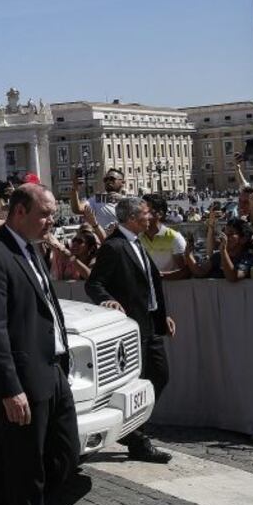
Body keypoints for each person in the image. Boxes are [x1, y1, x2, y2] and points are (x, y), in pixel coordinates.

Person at [0, 184, 78, 505]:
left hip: (53, 372)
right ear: (19, 212)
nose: (51, 222)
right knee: (25, 468)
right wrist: (9, 388)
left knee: (66, 454)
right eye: (45, 214)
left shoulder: (32, 249)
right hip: (23, 381)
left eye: (53, 215)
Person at [85, 197, 175, 464]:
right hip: (132, 328)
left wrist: (162, 314)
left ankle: (133, 430)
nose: (151, 217)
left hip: (150, 324)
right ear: (133, 218)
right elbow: (94, 284)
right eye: (146, 214)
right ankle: (137, 438)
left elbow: (148, 284)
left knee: (160, 375)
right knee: (139, 382)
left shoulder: (136, 244)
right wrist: (107, 301)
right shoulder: (114, 247)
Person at [184, 215, 253, 282]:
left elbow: (233, 277)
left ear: (243, 239)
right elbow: (200, 272)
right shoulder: (217, 256)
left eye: (230, 234)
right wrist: (189, 254)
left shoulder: (248, 258)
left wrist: (223, 251)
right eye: (224, 233)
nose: (225, 237)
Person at [139, 194, 189, 280]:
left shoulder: (174, 237)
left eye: (146, 212)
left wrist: (159, 276)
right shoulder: (137, 237)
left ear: (160, 214)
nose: (141, 216)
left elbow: (185, 271)